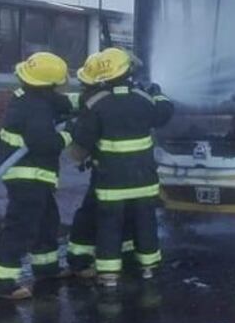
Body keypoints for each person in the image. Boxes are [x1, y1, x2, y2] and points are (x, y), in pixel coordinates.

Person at [70, 47, 174, 289]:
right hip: (145, 182)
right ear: (127, 72)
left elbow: (80, 147)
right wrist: (158, 93)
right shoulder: (143, 98)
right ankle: (149, 268)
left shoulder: (95, 104)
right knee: (146, 223)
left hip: (111, 184)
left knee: (109, 227)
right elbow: (164, 113)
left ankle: (108, 276)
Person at [0, 51, 73, 300]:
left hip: (32, 175)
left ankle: (46, 268)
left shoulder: (31, 96)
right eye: (57, 84)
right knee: (20, 227)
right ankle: (0, 282)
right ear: (48, 85)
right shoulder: (36, 108)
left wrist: (84, 102)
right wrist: (70, 134)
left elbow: (60, 103)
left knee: (47, 220)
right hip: (28, 177)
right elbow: (44, 142)